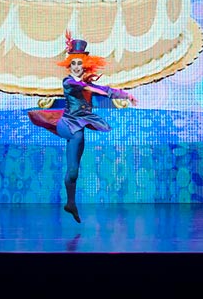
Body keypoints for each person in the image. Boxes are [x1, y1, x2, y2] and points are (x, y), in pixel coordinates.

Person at [28, 35, 136, 222]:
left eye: (79, 63)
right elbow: (86, 87)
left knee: (73, 172)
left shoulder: (88, 83)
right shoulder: (68, 82)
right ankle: (70, 200)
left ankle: (70, 203)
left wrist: (126, 95)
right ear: (69, 66)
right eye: (73, 63)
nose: (76, 67)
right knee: (76, 135)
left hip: (81, 125)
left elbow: (106, 90)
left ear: (84, 65)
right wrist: (98, 90)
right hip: (66, 124)